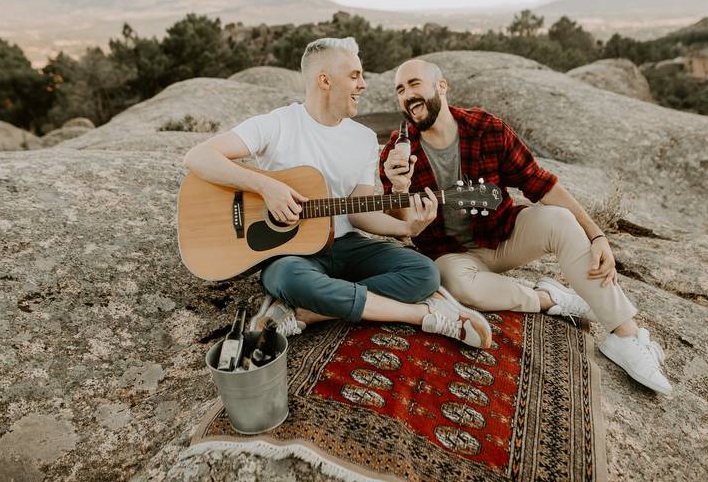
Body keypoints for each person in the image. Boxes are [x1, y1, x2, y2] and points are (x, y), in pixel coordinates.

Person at [379, 58, 671, 394]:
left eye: (415, 83)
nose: (407, 94)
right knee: (462, 288)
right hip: (451, 254)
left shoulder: (486, 128)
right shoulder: (397, 152)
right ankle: (548, 298)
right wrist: (400, 190)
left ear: (441, 86)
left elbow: (542, 185)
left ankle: (627, 336)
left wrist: (597, 234)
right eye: (400, 89)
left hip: (503, 236)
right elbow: (400, 228)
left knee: (559, 220)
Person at [182, 38, 491, 349]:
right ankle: (422, 314)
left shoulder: (364, 139)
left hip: (347, 246)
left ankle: (305, 312)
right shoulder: (277, 124)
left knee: (423, 273)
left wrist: (406, 228)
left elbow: (359, 211)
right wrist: (266, 186)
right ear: (325, 80)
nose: (364, 84)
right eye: (354, 75)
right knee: (288, 279)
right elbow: (198, 157)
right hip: (291, 255)